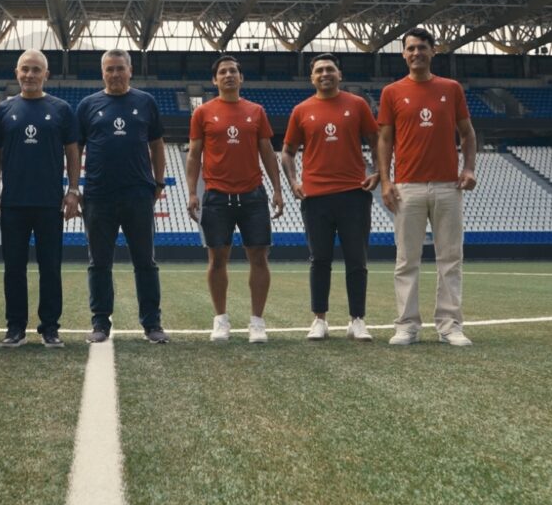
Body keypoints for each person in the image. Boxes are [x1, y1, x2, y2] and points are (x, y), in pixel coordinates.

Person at [376, 27, 477, 347]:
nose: (416, 53)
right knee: (407, 260)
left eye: (422, 47)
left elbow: (468, 133)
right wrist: (387, 180)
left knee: (450, 257)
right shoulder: (392, 92)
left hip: (448, 186)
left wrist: (470, 168)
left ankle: (450, 325)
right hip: (408, 186)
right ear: (403, 54)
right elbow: (385, 140)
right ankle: (407, 325)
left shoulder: (451, 88)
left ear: (433, 51)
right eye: (410, 48)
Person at [0, 50, 81, 348]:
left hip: (50, 203)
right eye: (25, 69)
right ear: (17, 72)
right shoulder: (3, 110)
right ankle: (15, 328)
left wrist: (73, 190)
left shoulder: (62, 109)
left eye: (36, 69)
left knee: (50, 267)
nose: (30, 75)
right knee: (14, 268)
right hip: (13, 203)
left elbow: (73, 151)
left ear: (46, 74)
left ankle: (50, 327)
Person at [281, 53, 379, 343]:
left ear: (340, 74)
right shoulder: (301, 110)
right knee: (319, 259)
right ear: (312, 78)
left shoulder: (357, 105)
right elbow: (287, 151)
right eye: (319, 70)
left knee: (356, 259)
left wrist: (380, 173)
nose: (325, 74)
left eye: (330, 69)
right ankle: (319, 319)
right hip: (315, 197)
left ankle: (357, 320)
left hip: (354, 193)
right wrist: (293, 180)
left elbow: (377, 141)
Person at [185, 55, 283, 343]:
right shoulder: (202, 113)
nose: (228, 75)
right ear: (215, 80)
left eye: (233, 71)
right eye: (222, 72)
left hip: (253, 195)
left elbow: (267, 152)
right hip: (216, 195)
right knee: (217, 260)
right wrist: (193, 192)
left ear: (241, 78)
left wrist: (277, 189)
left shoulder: (256, 111)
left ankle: (257, 322)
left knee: (259, 258)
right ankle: (221, 320)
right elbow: (193, 155)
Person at [76, 49, 169, 344]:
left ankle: (152, 324)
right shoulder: (87, 105)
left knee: (145, 262)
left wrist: (158, 182)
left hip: (138, 194)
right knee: (99, 263)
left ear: (130, 70)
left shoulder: (146, 102)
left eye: (120, 68)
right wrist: (74, 187)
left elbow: (157, 145)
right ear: (102, 72)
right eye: (109, 69)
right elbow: (75, 149)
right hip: (97, 196)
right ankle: (101, 323)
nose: (114, 74)